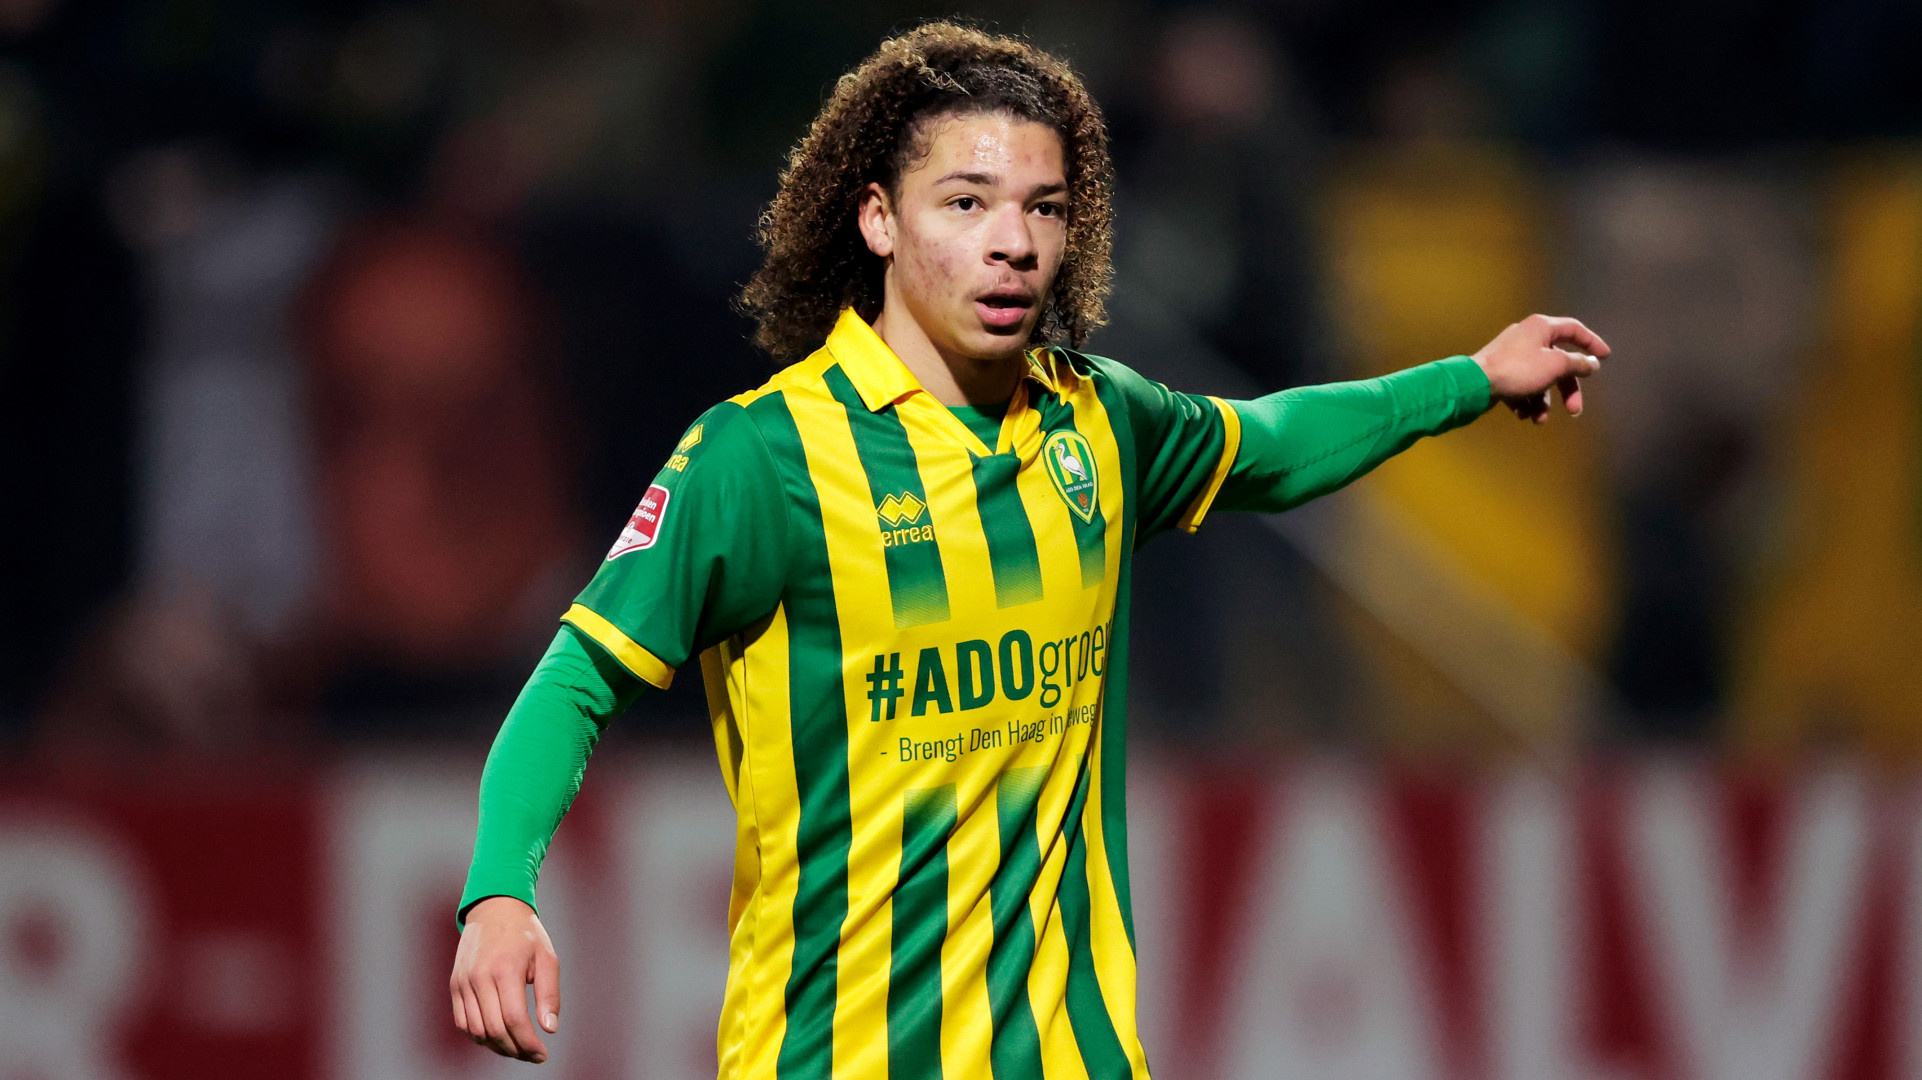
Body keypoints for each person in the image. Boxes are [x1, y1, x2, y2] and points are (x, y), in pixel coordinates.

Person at [447, 22, 1606, 1075]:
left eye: (1043, 209)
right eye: (966, 203)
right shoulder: (763, 457)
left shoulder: (1096, 423)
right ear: (877, 219)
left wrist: (1469, 379)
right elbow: (578, 677)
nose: (1011, 243)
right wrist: (499, 890)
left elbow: (1269, 444)